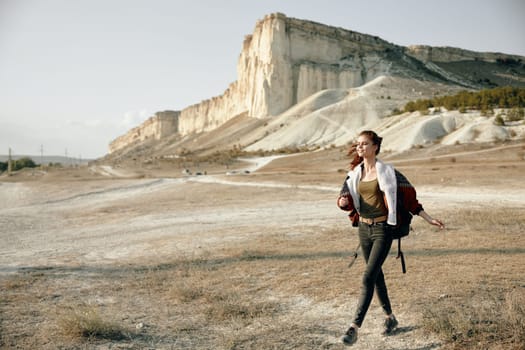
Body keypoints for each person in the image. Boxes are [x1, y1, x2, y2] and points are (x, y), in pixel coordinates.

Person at [337, 130, 445, 346]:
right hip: (364, 229)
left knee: (368, 277)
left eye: (365, 144)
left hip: (383, 229)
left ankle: (354, 327)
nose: (360, 147)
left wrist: (428, 218)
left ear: (375, 146)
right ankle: (390, 318)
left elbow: (409, 197)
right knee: (376, 275)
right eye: (358, 144)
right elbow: (345, 194)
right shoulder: (355, 173)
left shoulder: (387, 171)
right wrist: (343, 201)